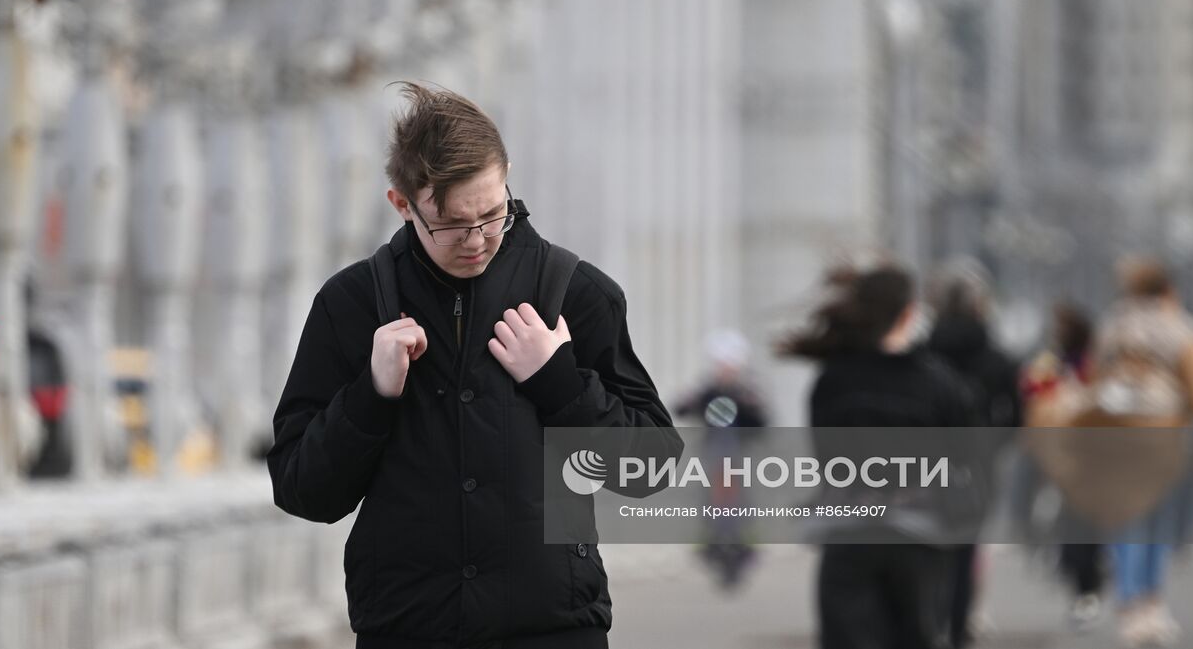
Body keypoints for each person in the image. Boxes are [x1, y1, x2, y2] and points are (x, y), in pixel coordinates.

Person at [266, 83, 678, 649]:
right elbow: (300, 491)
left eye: (492, 213)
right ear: (403, 204)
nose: (479, 239)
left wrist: (560, 384)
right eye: (454, 225)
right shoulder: (351, 304)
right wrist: (371, 396)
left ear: (506, 174)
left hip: (554, 631)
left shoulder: (578, 294)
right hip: (406, 631)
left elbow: (654, 471)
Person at [786, 263, 977, 649]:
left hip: (849, 532)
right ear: (909, 314)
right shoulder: (939, 383)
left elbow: (825, 458)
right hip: (920, 536)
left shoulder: (834, 380)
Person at [1092, 257, 1193, 648]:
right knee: (1159, 521)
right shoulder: (1182, 329)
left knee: (1127, 523)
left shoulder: (1113, 325)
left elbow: (1095, 379)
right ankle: (1150, 603)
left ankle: (1128, 603)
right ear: (1169, 289)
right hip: (1164, 435)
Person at [925, 259, 1022, 648]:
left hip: (926, 464)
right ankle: (958, 626)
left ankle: (931, 620)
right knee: (966, 547)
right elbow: (1015, 415)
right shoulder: (998, 359)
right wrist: (992, 443)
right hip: (978, 463)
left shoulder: (923, 355)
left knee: (929, 546)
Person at [1020, 303, 1105, 631]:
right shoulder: (1054, 363)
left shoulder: (1091, 364)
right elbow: (1030, 391)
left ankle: (1082, 574)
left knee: (1079, 517)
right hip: (1062, 450)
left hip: (1081, 453)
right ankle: (1072, 566)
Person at [673, 330, 769, 590]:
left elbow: (762, 423)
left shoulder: (745, 393)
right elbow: (680, 408)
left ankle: (744, 546)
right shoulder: (708, 392)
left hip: (738, 456)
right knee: (710, 502)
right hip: (712, 455)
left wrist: (751, 407)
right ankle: (711, 544)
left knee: (741, 503)